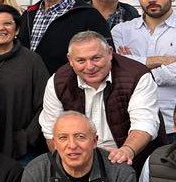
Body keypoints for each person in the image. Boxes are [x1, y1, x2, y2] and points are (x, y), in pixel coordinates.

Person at [40, 31, 161, 170]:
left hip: (132, 159)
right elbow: (51, 130)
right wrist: (67, 165)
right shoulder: (57, 81)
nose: (90, 66)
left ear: (110, 53)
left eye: (96, 58)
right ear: (70, 60)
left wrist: (126, 151)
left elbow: (144, 124)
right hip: (81, 160)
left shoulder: (137, 75)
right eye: (81, 60)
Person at [0, 4, 49, 161]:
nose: (0, 28)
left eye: (8, 24)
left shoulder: (31, 61)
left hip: (21, 150)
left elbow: (46, 104)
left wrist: (27, 137)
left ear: (16, 30)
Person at [112, 0, 176, 143]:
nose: (151, 0)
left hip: (172, 123)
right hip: (133, 124)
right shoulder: (122, 30)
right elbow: (116, 67)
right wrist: (163, 61)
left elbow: (126, 72)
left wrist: (133, 67)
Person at [19, 0, 113, 74]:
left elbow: (105, 59)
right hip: (28, 88)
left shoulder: (88, 15)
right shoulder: (28, 15)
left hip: (66, 88)